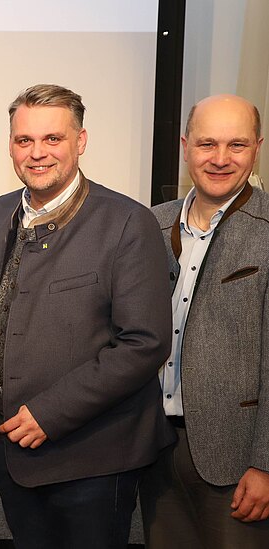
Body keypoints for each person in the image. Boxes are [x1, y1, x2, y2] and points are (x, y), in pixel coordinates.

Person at [0, 83, 175, 549]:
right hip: (12, 455)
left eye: (53, 138)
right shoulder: (0, 212)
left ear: (81, 141)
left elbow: (144, 343)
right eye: (24, 140)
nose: (37, 153)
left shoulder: (127, 222)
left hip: (93, 462)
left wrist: (49, 412)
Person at [141, 94, 269, 547]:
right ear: (185, 146)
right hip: (154, 450)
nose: (220, 159)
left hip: (237, 461)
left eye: (237, 145)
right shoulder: (149, 225)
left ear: (257, 148)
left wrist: (265, 463)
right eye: (207, 143)